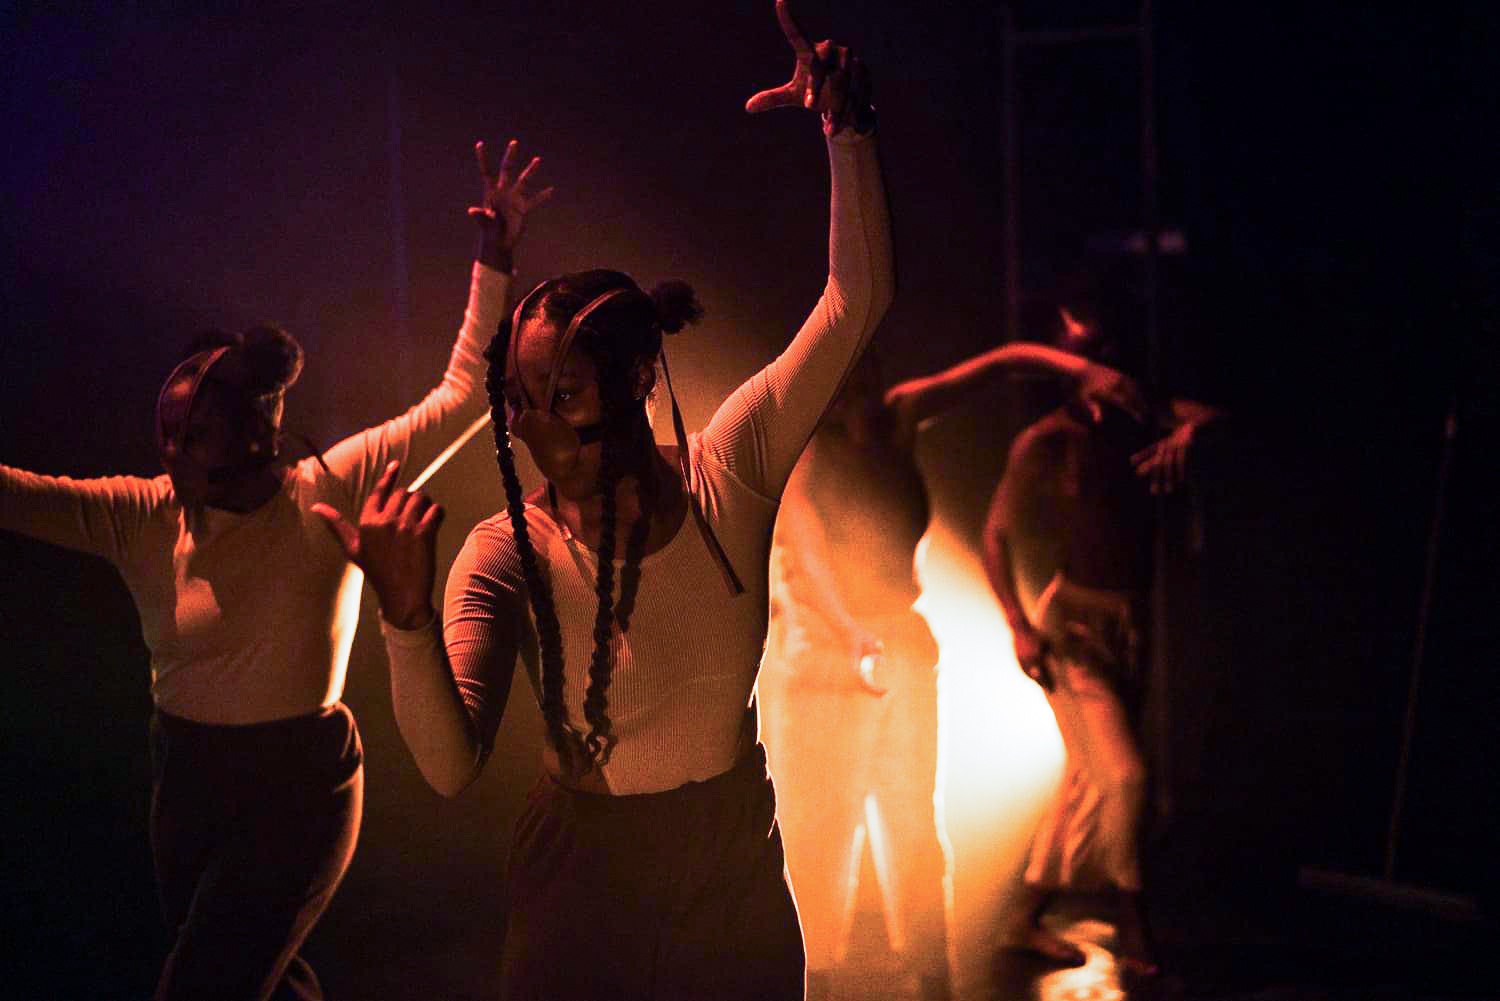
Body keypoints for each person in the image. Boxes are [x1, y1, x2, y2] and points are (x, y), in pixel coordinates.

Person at [314, 5, 889, 997]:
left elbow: (856, 302)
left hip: (732, 869)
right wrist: (405, 620)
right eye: (521, 403)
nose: (536, 426)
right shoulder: (504, 550)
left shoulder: (728, 471)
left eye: (565, 395)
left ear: (633, 382)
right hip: (585, 875)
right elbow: (453, 770)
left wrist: (847, 132)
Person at [0, 138, 551, 1001]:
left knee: (203, 989)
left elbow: (454, 398)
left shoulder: (323, 490)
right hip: (185, 780)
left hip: (301, 787)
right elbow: (15, 494)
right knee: (266, 982)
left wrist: (496, 255)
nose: (171, 452)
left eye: (193, 435)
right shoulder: (142, 514)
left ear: (255, 434)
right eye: (167, 434)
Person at [759, 342, 1143, 1001]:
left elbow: (995, 365)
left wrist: (1078, 370)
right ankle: (817, 985)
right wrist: (853, 636)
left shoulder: (898, 415)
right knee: (827, 844)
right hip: (823, 664)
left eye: (873, 371)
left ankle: (933, 984)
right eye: (854, 379)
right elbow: (806, 541)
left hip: (901, 647)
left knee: (914, 831)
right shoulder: (802, 445)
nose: (869, 387)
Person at [980, 294, 1222, 978]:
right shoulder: (1048, 440)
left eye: (1110, 353)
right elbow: (994, 534)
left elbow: (1222, 422)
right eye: (1091, 358)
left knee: (1087, 780)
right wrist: (1019, 625)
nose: (1107, 369)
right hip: (1073, 629)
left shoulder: (1143, 417)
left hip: (1130, 624)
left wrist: (1190, 436)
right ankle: (1132, 915)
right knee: (1124, 774)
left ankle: (1023, 916)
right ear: (1070, 370)